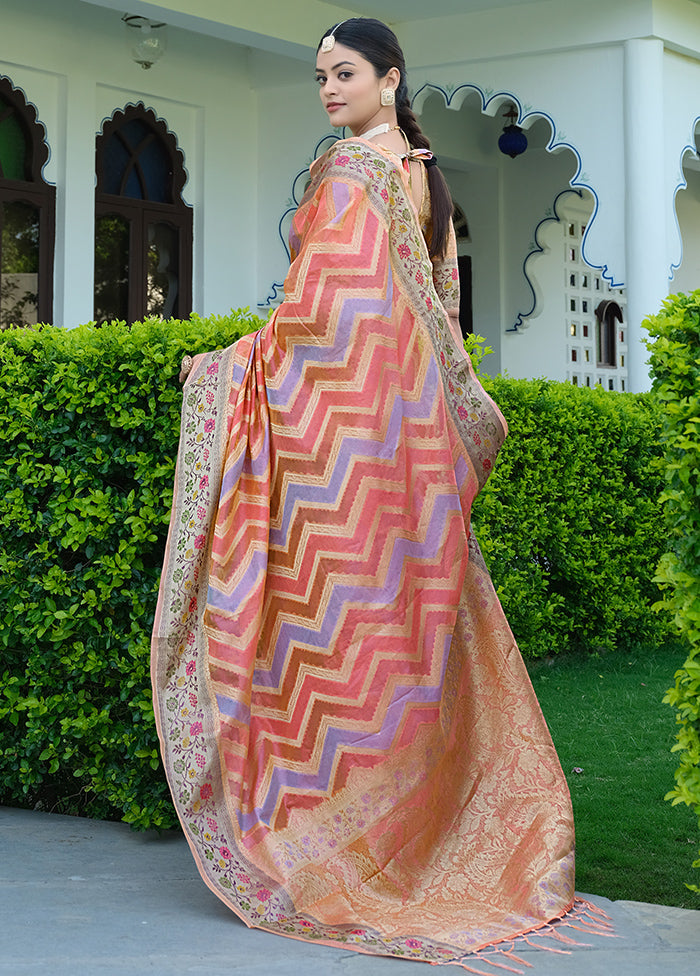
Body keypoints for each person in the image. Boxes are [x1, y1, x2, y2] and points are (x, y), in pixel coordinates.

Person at [152, 17, 606, 970]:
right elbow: (434, 325)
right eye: (319, 74)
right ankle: (408, 834)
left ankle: (343, 850)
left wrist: (231, 367)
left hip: (348, 454)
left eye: (344, 72)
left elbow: (324, 315)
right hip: (407, 457)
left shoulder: (355, 172)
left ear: (389, 78)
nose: (327, 88)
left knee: (340, 631)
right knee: (397, 631)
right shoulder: (425, 177)